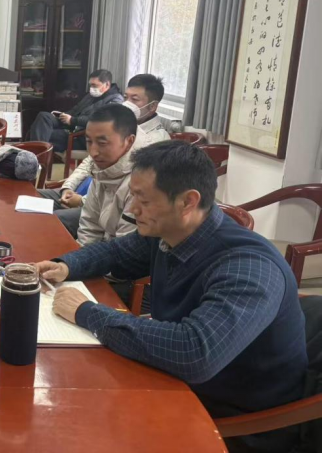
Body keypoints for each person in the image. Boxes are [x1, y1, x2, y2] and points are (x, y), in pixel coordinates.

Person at [34, 141, 307, 453]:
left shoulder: (249, 267)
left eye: (143, 200)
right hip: (176, 382)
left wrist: (87, 312)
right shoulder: (171, 232)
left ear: (188, 201)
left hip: (237, 419)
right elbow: (116, 252)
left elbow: (195, 353)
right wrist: (65, 266)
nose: (132, 210)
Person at [41, 74, 169, 237]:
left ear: (152, 106)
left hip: (106, 210)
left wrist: (80, 200)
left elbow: (124, 197)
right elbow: (90, 163)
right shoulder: (112, 129)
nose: (127, 103)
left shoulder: (156, 144)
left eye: (135, 99)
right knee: (33, 198)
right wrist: (68, 187)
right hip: (91, 198)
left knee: (51, 220)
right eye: (126, 97)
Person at [74, 104, 137, 247]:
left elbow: (125, 247)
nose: (93, 152)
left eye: (102, 143)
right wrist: (78, 257)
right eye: (89, 141)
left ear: (129, 141)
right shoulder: (101, 169)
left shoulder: (138, 183)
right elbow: (89, 226)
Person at [26, 69, 122, 152]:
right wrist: (64, 115)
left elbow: (100, 120)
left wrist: (73, 120)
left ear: (107, 84)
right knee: (44, 116)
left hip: (82, 134)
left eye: (94, 85)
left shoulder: (115, 100)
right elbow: (76, 108)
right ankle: (38, 156)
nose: (91, 88)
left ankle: (37, 158)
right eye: (90, 85)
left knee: (39, 133)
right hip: (71, 125)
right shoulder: (91, 95)